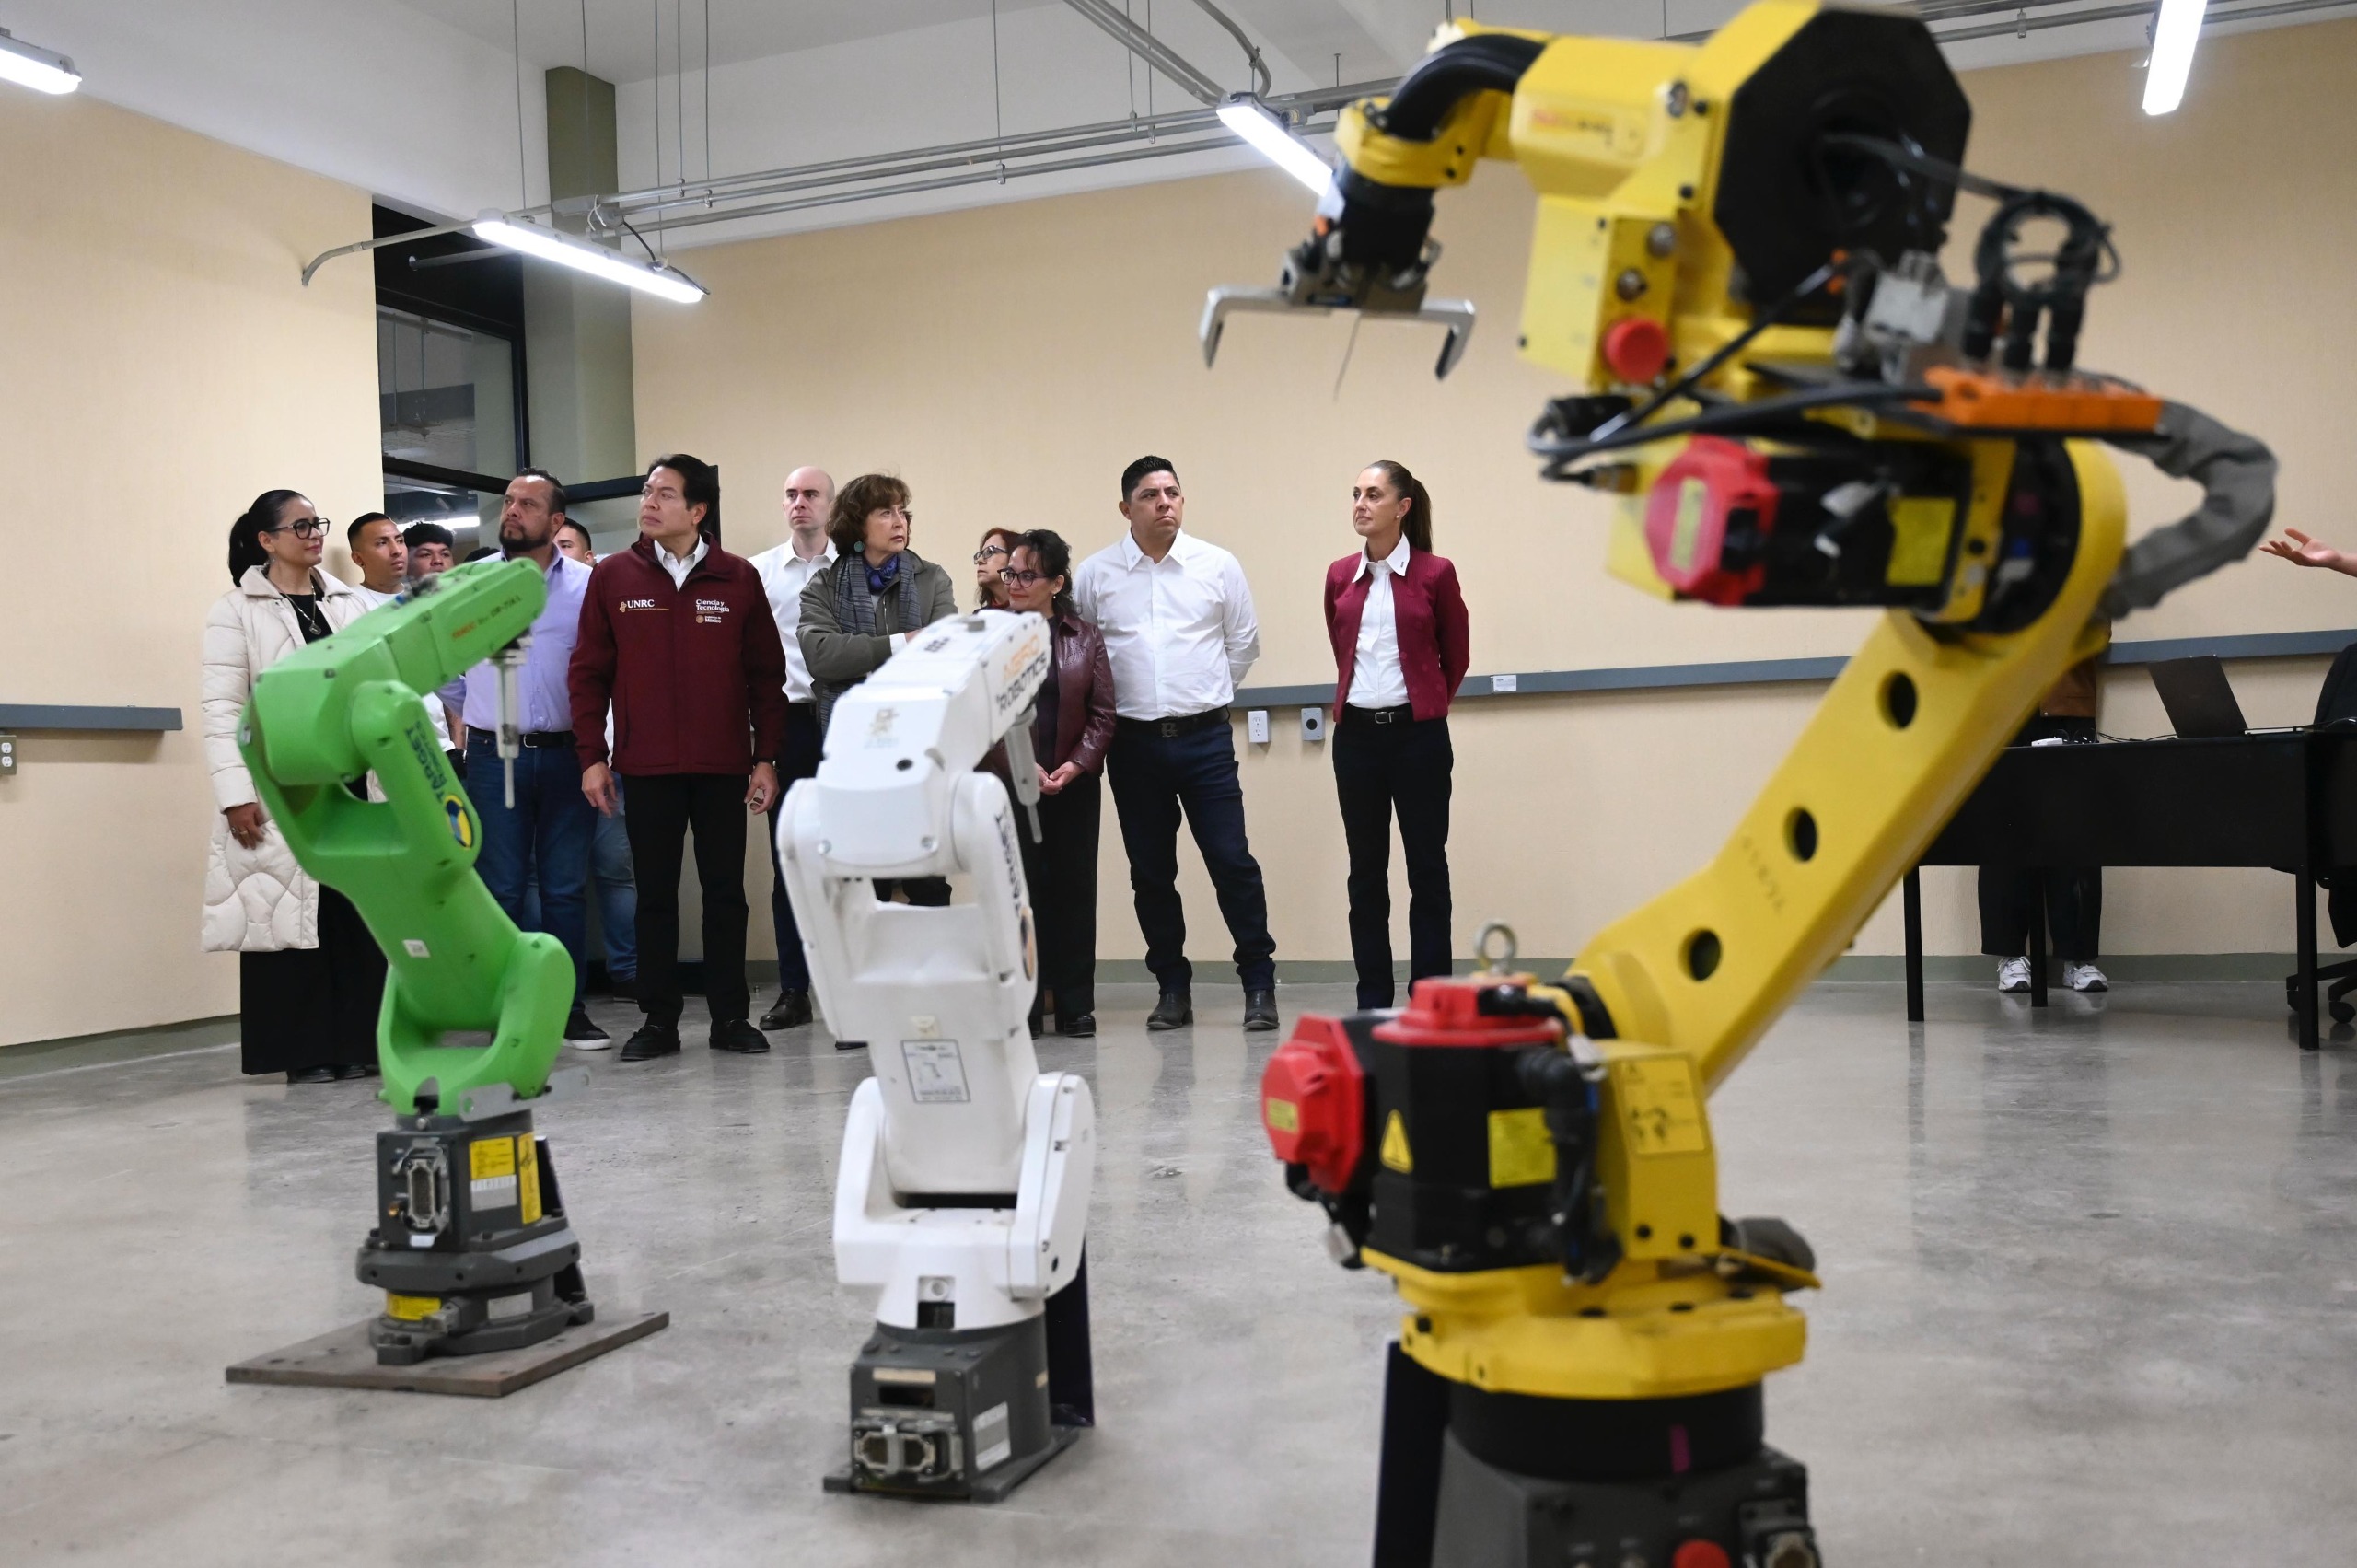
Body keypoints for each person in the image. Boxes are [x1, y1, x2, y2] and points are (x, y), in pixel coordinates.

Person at [570, 454, 787, 1061]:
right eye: (646, 491)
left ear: (697, 510)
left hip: (723, 766)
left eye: (665, 493)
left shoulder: (738, 578)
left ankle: (730, 1018)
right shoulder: (612, 576)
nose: (649, 502)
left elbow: (766, 677)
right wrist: (592, 756)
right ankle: (658, 1021)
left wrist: (765, 756)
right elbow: (587, 674)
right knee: (654, 896)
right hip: (645, 766)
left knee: (725, 894)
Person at [1074, 456, 1278, 1032]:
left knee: (1232, 861)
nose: (1165, 502)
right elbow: (1085, 656)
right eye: (1149, 495)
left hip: (1205, 740)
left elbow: (1243, 645)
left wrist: (1203, 696)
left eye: (1173, 492)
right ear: (1125, 509)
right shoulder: (1095, 574)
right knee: (1151, 872)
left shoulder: (1217, 565)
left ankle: (1259, 984)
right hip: (1132, 748)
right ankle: (1172, 987)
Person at [202, 490, 386, 1084]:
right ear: (267, 540)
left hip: (351, 783)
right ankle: (303, 1055)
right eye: (300, 526)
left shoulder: (349, 603)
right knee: (284, 920)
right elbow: (220, 708)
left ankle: (360, 1043)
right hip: (279, 786)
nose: (313, 534)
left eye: (317, 524)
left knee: (353, 915)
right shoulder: (236, 610)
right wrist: (234, 794)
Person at [457, 470, 607, 1045]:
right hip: (498, 758)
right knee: (502, 889)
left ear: (557, 521)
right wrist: (479, 713)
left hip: (570, 756)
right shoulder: (470, 584)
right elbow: (449, 675)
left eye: (528, 504)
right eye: (509, 502)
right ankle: (509, 1008)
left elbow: (604, 673)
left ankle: (567, 1010)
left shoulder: (589, 587)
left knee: (567, 888)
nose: (513, 511)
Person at [1323, 461, 1470, 1010]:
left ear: (1402, 507)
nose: (1360, 504)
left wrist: (1426, 705)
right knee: (1366, 873)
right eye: (1356, 493)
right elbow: (1344, 653)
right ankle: (1373, 999)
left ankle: (1431, 997)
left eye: (1374, 494)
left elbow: (1455, 656)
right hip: (1357, 741)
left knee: (1427, 867)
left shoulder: (1435, 573)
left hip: (1419, 740)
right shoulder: (1340, 574)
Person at [801, 473, 961, 906]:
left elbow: (942, 655)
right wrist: (902, 643)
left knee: (926, 876)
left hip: (919, 745)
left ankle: (930, 973)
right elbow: (822, 657)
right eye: (885, 512)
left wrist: (868, 655)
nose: (899, 521)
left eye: (903, 512)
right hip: (851, 750)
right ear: (857, 523)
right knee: (862, 877)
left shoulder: (931, 579)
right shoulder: (823, 586)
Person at [991, 530, 1117, 1037]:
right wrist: (1020, 766)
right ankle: (1024, 1004)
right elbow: (979, 715)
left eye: (1027, 575)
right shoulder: (988, 634)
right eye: (1010, 573)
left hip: (1073, 786)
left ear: (1056, 582)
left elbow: (1104, 714)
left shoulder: (1084, 636)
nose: (1015, 583)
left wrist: (1078, 764)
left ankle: (1074, 1004)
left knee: (1072, 892)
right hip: (1009, 786)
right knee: (1020, 895)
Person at [746, 467, 837, 1030]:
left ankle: (853, 990)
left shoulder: (851, 570)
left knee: (855, 861)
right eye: (791, 495)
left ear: (831, 505)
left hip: (846, 722)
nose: (799, 503)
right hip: (788, 723)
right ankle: (794, 990)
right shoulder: (759, 572)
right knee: (791, 861)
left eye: (810, 495)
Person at [1980, 656, 2107, 993]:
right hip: (2003, 703)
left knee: (2077, 831)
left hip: (2068, 706)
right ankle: (2010, 955)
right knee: (2004, 829)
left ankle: (2078, 958)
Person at [553, 517, 637, 1001]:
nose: (558, 555)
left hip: (610, 757)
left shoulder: (614, 601)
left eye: (568, 547)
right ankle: (558, 980)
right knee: (553, 879)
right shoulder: (535, 602)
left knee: (614, 869)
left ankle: (627, 971)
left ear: (590, 558)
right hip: (553, 755)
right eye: (553, 547)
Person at [346, 512, 406, 607]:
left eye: (399, 541)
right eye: (382, 543)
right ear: (358, 559)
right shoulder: (349, 604)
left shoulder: (423, 595)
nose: (397, 551)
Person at [974, 526, 1018, 610]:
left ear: (1013, 555)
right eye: (980, 554)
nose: (980, 560)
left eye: (990, 552)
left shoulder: (1036, 615)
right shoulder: (979, 618)